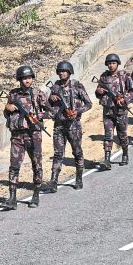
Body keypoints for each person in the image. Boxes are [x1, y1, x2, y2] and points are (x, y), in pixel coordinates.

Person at [3, 65, 51, 208]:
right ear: (19, 80)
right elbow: (7, 114)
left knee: (37, 164)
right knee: (14, 166)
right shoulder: (13, 95)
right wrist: (7, 108)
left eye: (29, 78)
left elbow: (51, 111)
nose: (27, 81)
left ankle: (35, 194)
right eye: (24, 78)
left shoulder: (38, 94)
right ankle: (12, 198)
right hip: (17, 135)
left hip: (33, 135)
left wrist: (38, 116)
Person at [48, 60, 92, 189]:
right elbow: (47, 106)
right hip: (59, 125)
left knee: (77, 152)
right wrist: (51, 99)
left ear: (69, 72)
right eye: (60, 71)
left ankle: (78, 178)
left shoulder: (77, 86)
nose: (62, 73)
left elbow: (89, 104)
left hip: (74, 126)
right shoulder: (55, 87)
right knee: (57, 154)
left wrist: (77, 112)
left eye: (64, 71)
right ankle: (54, 181)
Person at [94, 53, 133, 168]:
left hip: (121, 111)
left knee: (122, 135)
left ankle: (125, 154)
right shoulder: (103, 76)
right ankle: (107, 160)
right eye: (109, 63)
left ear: (117, 63)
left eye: (113, 63)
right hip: (108, 111)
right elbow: (97, 91)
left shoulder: (124, 76)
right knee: (108, 135)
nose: (111, 66)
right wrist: (99, 92)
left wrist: (125, 99)